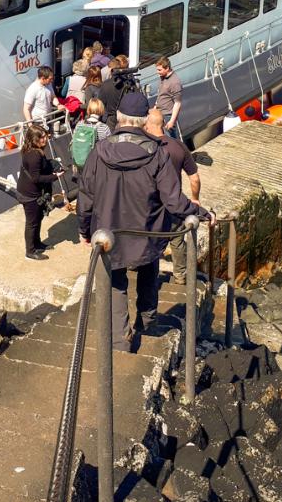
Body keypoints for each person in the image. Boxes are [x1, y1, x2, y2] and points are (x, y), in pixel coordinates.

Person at [77, 91, 209, 351]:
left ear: (120, 119)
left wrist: (84, 230)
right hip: (147, 231)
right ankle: (147, 322)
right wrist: (201, 212)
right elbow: (173, 200)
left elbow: (86, 197)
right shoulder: (157, 154)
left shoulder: (99, 152)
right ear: (142, 121)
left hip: (108, 232)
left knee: (115, 284)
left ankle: (119, 341)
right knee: (149, 272)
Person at [145, 108, 201, 283]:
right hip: (174, 200)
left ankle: (146, 273)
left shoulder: (145, 148)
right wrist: (195, 198)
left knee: (150, 237)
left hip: (151, 202)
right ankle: (180, 275)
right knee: (177, 240)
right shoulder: (178, 146)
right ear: (162, 124)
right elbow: (195, 178)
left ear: (147, 125)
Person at [16, 123, 65, 261]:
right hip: (29, 195)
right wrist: (55, 176)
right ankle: (30, 251)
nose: (45, 138)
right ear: (34, 139)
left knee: (38, 219)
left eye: (45, 135)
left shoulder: (34, 150)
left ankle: (37, 243)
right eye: (42, 137)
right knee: (32, 222)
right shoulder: (34, 155)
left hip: (31, 192)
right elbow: (36, 178)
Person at [154, 56, 183, 140]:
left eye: (159, 70)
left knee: (171, 140)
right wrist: (155, 107)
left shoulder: (175, 82)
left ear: (167, 68)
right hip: (160, 113)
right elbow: (161, 94)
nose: (157, 72)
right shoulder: (163, 77)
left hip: (168, 116)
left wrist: (172, 121)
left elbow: (177, 103)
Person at [100, 55, 128, 130]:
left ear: (111, 70)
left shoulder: (105, 84)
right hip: (124, 118)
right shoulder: (127, 83)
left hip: (110, 118)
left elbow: (101, 103)